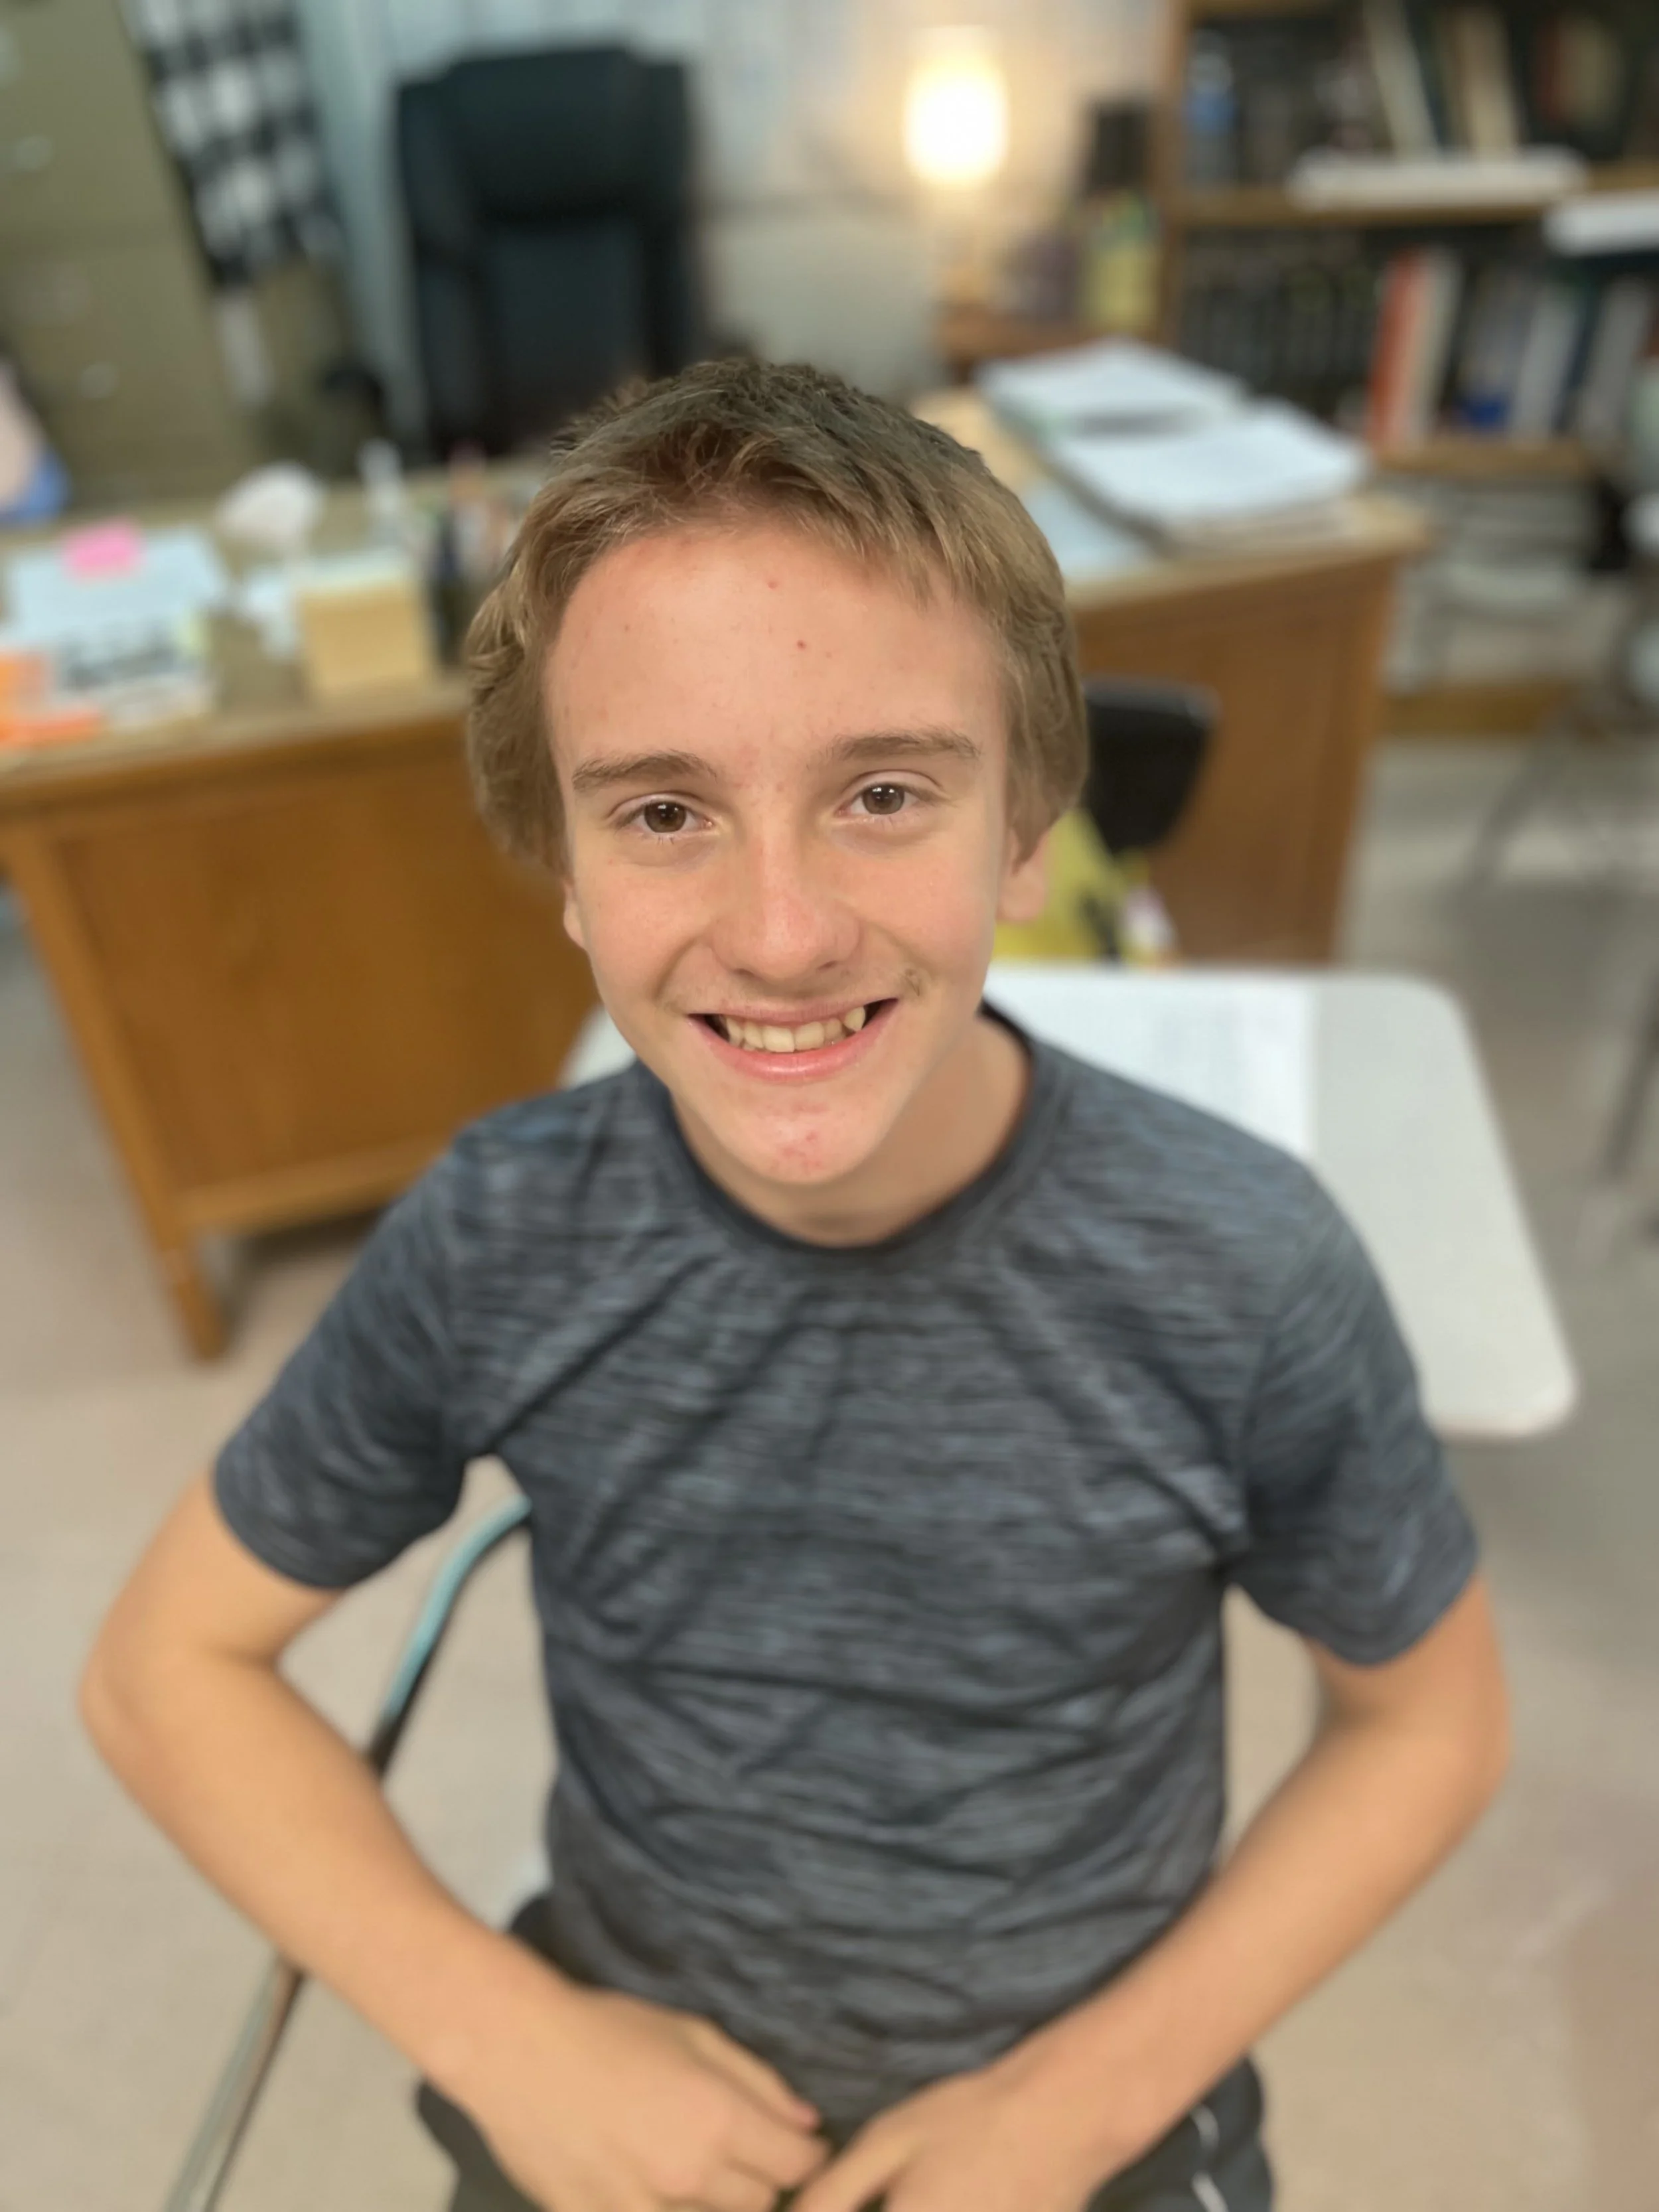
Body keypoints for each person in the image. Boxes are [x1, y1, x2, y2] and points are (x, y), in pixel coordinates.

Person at [82, 360, 1508, 2212]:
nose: (777, 930)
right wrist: (507, 2036)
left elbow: (1430, 1716)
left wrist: (1079, 2106)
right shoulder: (497, 1240)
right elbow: (161, 1667)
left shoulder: (1239, 1263)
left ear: (1021, 829)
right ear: (569, 873)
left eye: (885, 791)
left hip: (1091, 2107)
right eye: (663, 813)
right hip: (615, 2085)